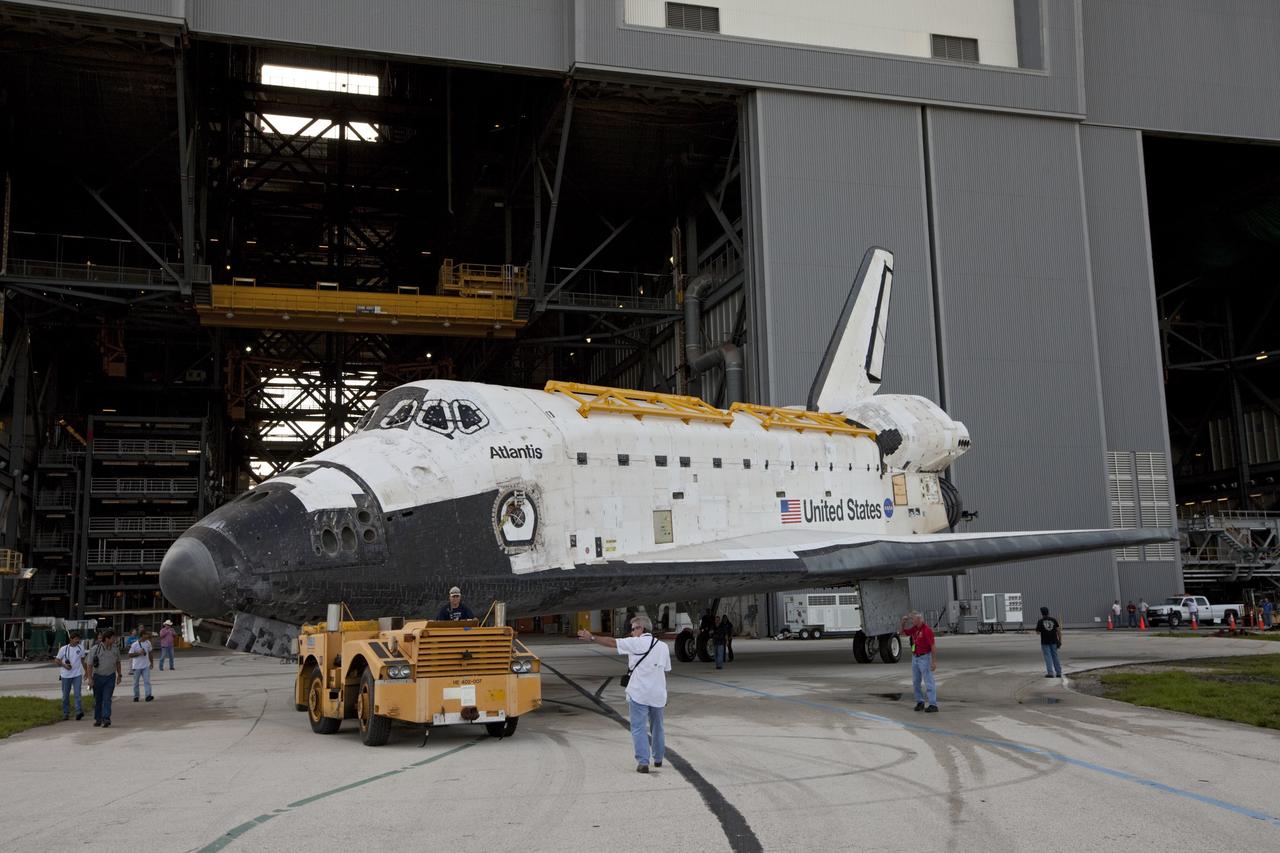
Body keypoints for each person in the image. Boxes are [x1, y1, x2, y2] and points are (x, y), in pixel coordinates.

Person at [578, 614, 672, 773]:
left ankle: (643, 762)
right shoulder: (663, 646)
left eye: (634, 628)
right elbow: (666, 670)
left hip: (639, 693)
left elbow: (612, 642)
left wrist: (592, 637)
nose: (632, 632)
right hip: (658, 694)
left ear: (641, 628)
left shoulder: (637, 643)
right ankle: (658, 759)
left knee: (638, 728)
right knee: (658, 727)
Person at [901, 611, 937, 712]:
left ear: (919, 619)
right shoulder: (915, 629)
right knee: (916, 681)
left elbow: (933, 646)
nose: (911, 621)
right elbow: (902, 633)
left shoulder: (926, 630)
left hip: (924, 657)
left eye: (912, 619)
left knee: (928, 681)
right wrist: (902, 623)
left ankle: (933, 704)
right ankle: (920, 702)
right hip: (915, 657)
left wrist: (933, 661)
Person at [90, 629, 123, 727]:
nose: (114, 640)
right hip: (97, 677)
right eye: (113, 638)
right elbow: (89, 664)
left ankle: (106, 718)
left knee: (107, 698)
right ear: (107, 639)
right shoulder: (95, 649)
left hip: (110, 677)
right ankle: (98, 719)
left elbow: (118, 662)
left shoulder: (115, 649)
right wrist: (90, 678)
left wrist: (119, 675)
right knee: (98, 699)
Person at [55, 631, 87, 721]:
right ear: (71, 639)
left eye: (78, 639)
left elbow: (83, 661)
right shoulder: (63, 649)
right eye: (76, 639)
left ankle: (78, 712)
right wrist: (64, 665)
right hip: (65, 675)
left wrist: (87, 672)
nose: (78, 640)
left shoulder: (80, 648)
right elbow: (57, 660)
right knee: (65, 696)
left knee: (77, 694)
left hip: (77, 674)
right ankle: (66, 713)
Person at [1034, 607, 1063, 678]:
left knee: (1048, 657)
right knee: (1055, 656)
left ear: (1041, 613)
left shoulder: (1040, 621)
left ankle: (1050, 673)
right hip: (1054, 641)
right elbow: (1058, 631)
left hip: (1045, 642)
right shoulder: (1053, 620)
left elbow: (1037, 632)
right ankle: (1058, 672)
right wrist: (1060, 640)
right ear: (1048, 612)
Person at [129, 629, 154, 702]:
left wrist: (151, 663)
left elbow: (150, 653)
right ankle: (136, 696)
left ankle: (148, 695)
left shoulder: (148, 643)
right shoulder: (135, 644)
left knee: (147, 681)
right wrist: (138, 653)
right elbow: (130, 655)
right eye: (146, 634)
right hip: (136, 666)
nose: (147, 635)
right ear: (142, 635)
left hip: (145, 665)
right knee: (136, 682)